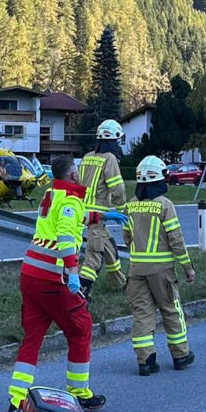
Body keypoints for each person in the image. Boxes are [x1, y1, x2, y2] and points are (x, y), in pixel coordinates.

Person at [6, 156, 106, 412]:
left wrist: (99, 216)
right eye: (77, 171)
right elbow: (64, 234)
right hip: (52, 276)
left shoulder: (52, 194)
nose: (79, 174)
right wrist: (72, 272)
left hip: (30, 274)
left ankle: (16, 399)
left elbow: (71, 218)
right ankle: (79, 391)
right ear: (72, 176)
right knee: (80, 327)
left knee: (33, 337)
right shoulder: (71, 200)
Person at [122, 156, 196, 374]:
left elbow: (127, 238)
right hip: (162, 270)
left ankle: (145, 361)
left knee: (142, 314)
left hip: (136, 270)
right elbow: (176, 240)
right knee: (171, 311)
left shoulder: (131, 205)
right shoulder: (165, 205)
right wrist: (187, 268)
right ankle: (181, 355)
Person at [76, 119, 128, 298]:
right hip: (99, 215)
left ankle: (120, 283)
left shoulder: (88, 156)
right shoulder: (110, 159)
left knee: (110, 248)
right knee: (95, 254)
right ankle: (83, 289)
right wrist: (122, 209)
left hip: (83, 212)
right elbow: (117, 188)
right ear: (113, 140)